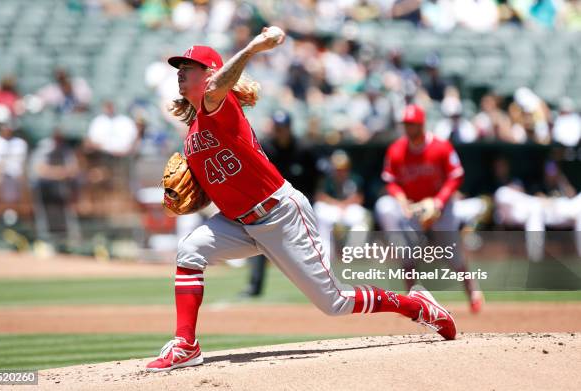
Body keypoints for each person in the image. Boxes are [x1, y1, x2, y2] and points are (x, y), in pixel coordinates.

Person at [146, 28, 457, 373]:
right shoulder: (191, 135)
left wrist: (252, 48)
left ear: (209, 74)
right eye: (178, 68)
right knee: (190, 251)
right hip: (238, 222)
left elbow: (220, 86)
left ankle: (415, 305)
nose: (180, 72)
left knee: (334, 302)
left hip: (279, 215)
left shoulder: (217, 105)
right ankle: (186, 345)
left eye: (188, 66)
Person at [375, 104, 483, 313]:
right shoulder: (396, 149)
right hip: (414, 208)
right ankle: (412, 301)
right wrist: (400, 199)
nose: (408, 128)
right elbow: (390, 180)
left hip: (441, 207)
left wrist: (439, 202)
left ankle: (473, 292)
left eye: (412, 124)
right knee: (405, 251)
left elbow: (456, 176)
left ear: (421, 125)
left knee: (452, 254)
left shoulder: (441, 147)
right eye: (406, 124)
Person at [241, 110, 320, 297]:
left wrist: (312, 200)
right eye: (277, 128)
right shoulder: (266, 147)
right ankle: (254, 287)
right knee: (259, 240)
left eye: (283, 128)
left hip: (300, 204)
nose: (280, 132)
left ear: (289, 128)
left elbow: (318, 176)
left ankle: (317, 286)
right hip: (272, 205)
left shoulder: (304, 148)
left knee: (307, 246)